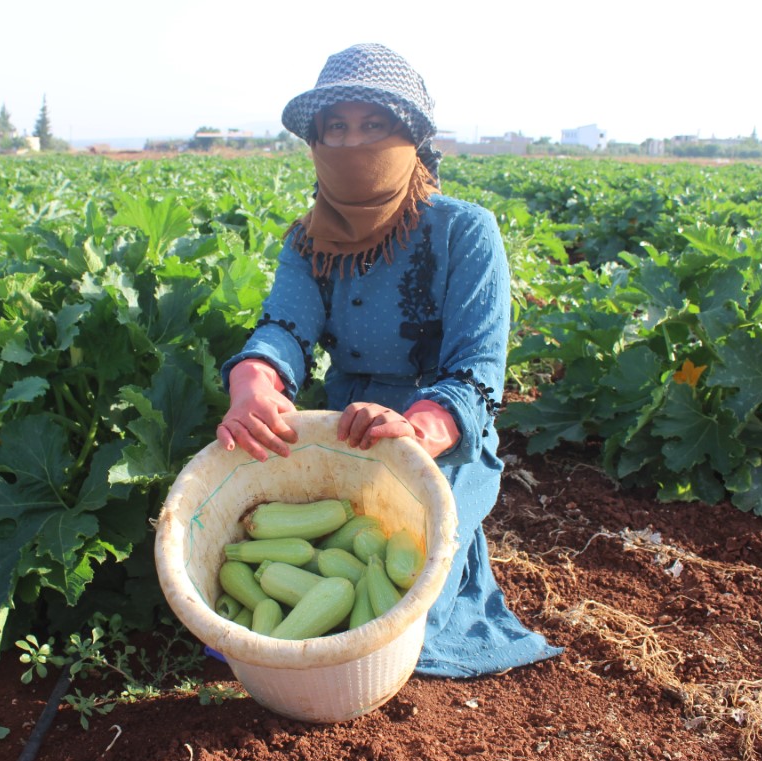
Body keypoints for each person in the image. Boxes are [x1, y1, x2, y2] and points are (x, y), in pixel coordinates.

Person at [215, 43, 561, 677]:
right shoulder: (309, 241)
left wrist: (418, 429)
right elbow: (284, 328)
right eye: (336, 128)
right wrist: (253, 380)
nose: (353, 143)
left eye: (373, 125)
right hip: (346, 430)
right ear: (316, 142)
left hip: (440, 436)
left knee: (409, 612)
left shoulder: (464, 231)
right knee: (324, 564)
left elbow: (477, 370)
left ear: (411, 138)